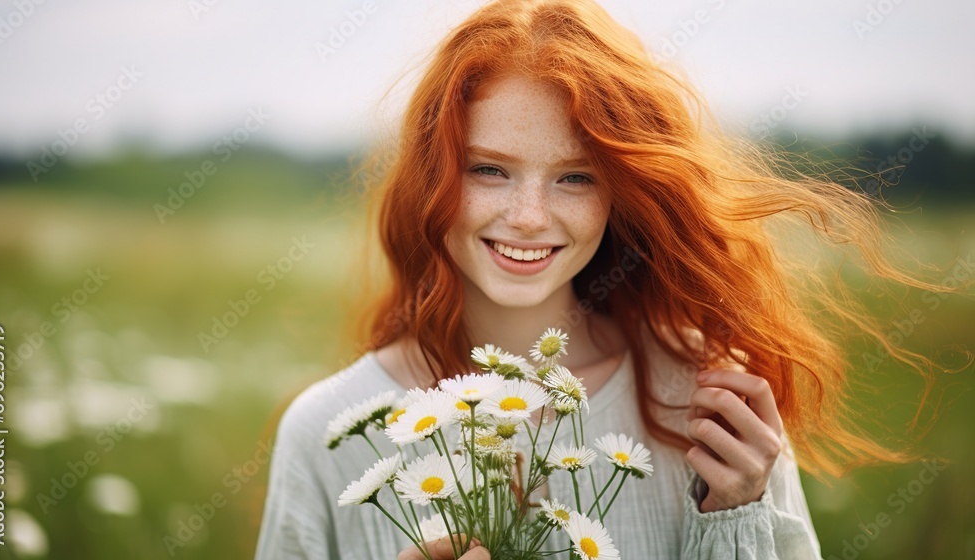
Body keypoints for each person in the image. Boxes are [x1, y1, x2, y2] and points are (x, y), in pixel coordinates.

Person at [255, 1, 948, 558]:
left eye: (576, 177)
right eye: (488, 168)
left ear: (624, 193)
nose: (528, 217)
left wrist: (734, 517)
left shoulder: (707, 408)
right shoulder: (326, 435)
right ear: (434, 178)